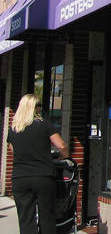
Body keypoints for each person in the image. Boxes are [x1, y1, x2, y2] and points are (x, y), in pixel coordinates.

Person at [7, 94, 69, 234]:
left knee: (25, 218)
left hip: (20, 177)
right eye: (39, 105)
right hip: (43, 175)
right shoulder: (44, 124)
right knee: (47, 216)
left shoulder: (14, 128)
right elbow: (61, 145)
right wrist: (65, 156)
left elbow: (12, 150)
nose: (41, 108)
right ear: (34, 108)